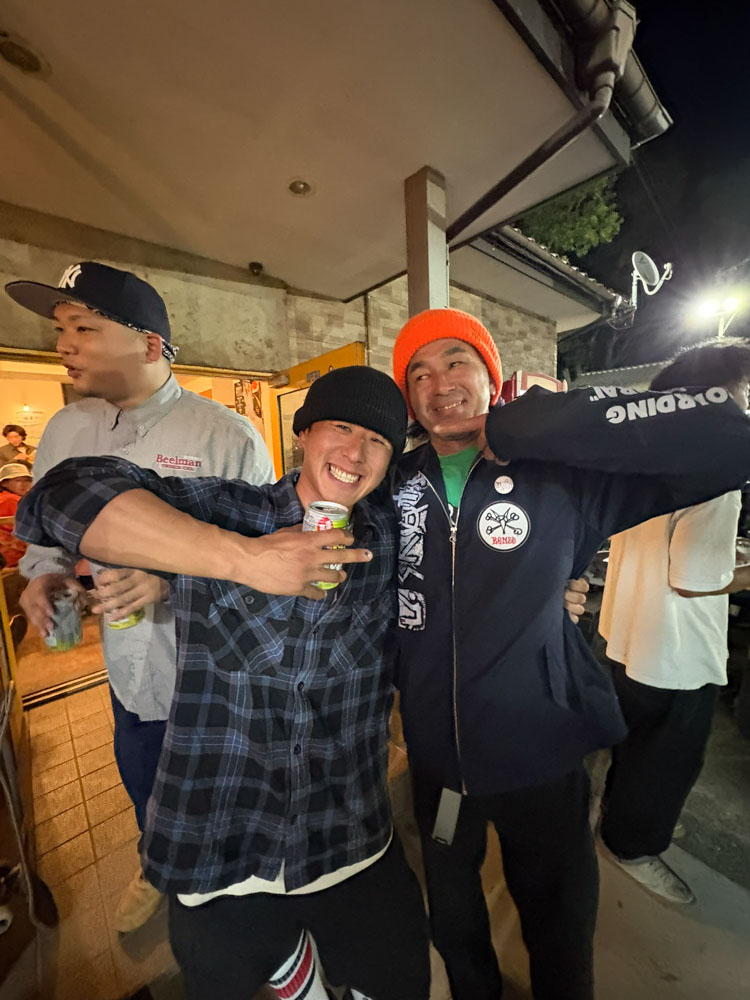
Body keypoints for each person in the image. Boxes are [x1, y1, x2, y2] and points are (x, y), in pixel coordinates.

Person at [15, 366, 431, 1000]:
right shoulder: (235, 510)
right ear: (303, 435)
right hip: (222, 840)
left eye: (376, 439)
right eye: (341, 427)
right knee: (220, 978)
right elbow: (63, 493)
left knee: (400, 979)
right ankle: (290, 969)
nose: (355, 451)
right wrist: (241, 559)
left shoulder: (391, 539)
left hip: (347, 834)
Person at [388, 308, 750, 1000]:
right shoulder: (395, 484)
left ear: (491, 377)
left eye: (456, 361)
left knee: (557, 925)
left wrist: (540, 423)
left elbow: (728, 439)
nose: (439, 384)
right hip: (436, 760)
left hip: (542, 753)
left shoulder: (558, 473)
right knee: (455, 920)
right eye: (419, 374)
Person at [4, 260, 275, 932]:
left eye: (83, 327)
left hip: (215, 678)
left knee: (223, 793)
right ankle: (157, 864)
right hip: (129, 671)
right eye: (60, 329)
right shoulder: (67, 433)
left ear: (150, 344)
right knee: (143, 777)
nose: (63, 344)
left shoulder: (225, 436)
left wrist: (170, 578)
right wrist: (43, 576)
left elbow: (264, 566)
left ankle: (231, 888)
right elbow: (47, 537)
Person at [597, 343, 750, 904]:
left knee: (632, 746)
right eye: (743, 393)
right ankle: (632, 846)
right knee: (665, 763)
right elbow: (692, 580)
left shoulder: (639, 460)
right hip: (676, 655)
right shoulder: (719, 470)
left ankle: (616, 816)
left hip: (624, 637)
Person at [0, 462, 32, 569]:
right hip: (15, 557)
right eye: (18, 480)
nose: (24, 484)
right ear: (4, 483)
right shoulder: (12, 500)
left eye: (27, 480)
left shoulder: (5, 498)